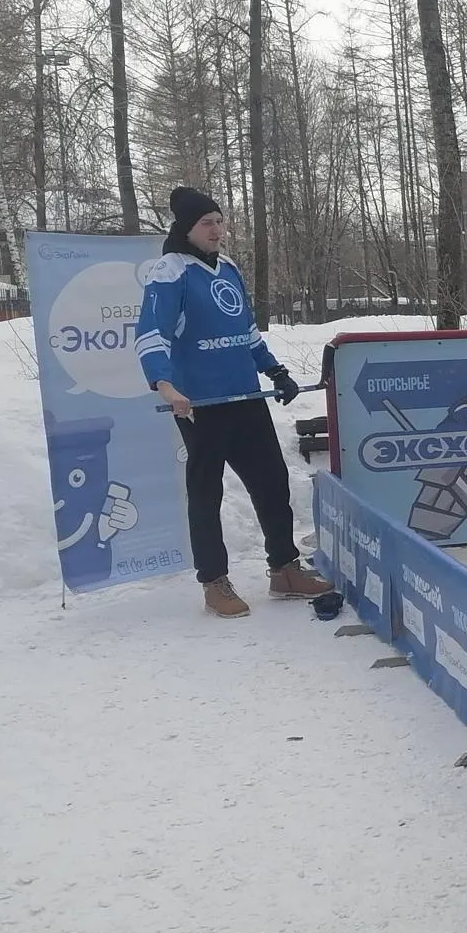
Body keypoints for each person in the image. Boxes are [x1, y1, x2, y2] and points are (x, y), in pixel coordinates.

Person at [135, 186, 330, 618]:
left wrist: (276, 371)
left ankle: (284, 569)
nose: (217, 230)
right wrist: (165, 386)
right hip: (201, 405)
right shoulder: (169, 272)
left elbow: (247, 334)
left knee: (272, 483)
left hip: (245, 397)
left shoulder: (228, 269)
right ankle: (214, 581)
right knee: (206, 493)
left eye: (220, 221)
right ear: (186, 228)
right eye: (207, 223)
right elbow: (151, 334)